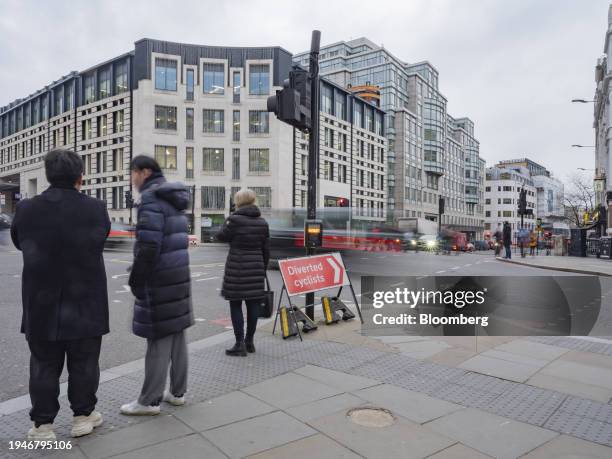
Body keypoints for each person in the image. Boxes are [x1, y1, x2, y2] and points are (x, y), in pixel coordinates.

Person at [10, 149, 111, 440]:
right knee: (85, 362)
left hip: (42, 301)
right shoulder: (95, 208)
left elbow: (20, 242)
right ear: (81, 176)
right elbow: (99, 240)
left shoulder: (27, 209)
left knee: (43, 363)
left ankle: (43, 425)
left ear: (47, 175)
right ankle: (83, 416)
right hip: (86, 301)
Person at [120, 156, 193, 416]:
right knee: (177, 335)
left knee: (158, 338)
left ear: (145, 172)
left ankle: (149, 400)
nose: (133, 179)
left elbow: (150, 246)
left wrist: (136, 279)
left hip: (160, 278)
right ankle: (177, 392)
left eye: (134, 174)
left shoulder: (150, 199)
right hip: (177, 275)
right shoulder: (175, 199)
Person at [217, 189, 270, 356]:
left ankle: (239, 343)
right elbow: (266, 250)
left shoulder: (234, 220)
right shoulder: (262, 222)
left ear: (238, 202)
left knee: (235, 303)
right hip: (256, 267)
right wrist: (262, 269)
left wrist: (227, 220)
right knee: (253, 304)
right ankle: (250, 342)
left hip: (237, 268)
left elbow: (220, 237)